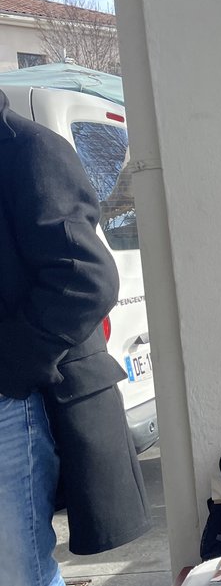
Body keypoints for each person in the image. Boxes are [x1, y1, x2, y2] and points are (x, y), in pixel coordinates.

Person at [0, 90, 150, 585]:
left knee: (18, 570)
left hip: (16, 400)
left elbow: (86, 277)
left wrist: (9, 367)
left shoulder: (27, 148)